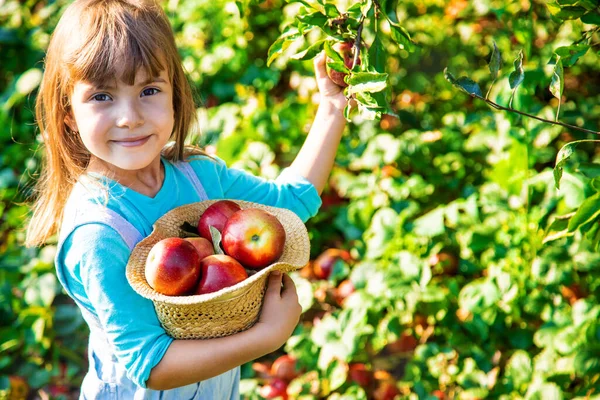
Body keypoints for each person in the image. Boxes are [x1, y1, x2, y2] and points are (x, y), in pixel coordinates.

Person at [24, 0, 347, 397]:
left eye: (149, 90)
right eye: (102, 97)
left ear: (174, 94)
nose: (130, 117)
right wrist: (265, 338)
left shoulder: (198, 176)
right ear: (68, 112)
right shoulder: (99, 231)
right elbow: (152, 364)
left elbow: (290, 204)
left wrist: (332, 107)